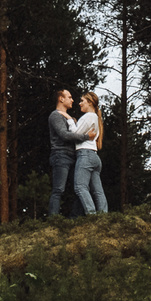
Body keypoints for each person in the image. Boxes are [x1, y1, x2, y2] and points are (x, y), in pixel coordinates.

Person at [45, 88, 85, 219]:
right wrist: (85, 137)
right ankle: (53, 221)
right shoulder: (55, 115)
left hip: (73, 156)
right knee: (58, 189)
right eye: (69, 97)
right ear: (61, 99)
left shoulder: (70, 118)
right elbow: (64, 135)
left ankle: (74, 219)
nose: (72, 100)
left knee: (80, 188)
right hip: (60, 155)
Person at [71, 91, 110, 215]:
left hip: (85, 155)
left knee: (80, 186)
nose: (79, 103)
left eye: (82, 101)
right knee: (98, 191)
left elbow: (75, 134)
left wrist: (70, 121)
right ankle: (103, 215)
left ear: (90, 102)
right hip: (94, 156)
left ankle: (91, 214)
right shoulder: (95, 118)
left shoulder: (88, 116)